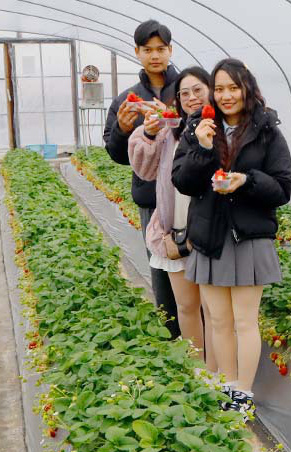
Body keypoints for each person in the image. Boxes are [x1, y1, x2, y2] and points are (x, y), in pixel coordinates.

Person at [172, 58, 291, 416]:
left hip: (249, 236)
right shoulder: (197, 128)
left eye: (233, 87)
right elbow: (183, 181)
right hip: (210, 234)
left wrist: (247, 180)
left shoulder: (267, 130)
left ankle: (243, 391)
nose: (226, 95)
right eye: (219, 88)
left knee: (244, 320)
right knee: (219, 320)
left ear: (247, 89)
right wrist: (203, 150)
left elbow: (282, 187)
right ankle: (225, 383)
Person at [127, 67, 217, 372]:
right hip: (175, 230)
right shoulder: (170, 131)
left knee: (212, 308)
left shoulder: (219, 128)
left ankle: (218, 372)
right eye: (184, 93)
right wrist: (149, 132)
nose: (192, 98)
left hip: (209, 233)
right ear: (177, 100)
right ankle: (198, 370)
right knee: (186, 306)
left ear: (211, 90)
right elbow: (144, 170)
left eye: (198, 90)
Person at [102, 19, 181, 338]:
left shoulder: (187, 89)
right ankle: (173, 336)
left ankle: (203, 339)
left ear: (170, 50)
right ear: (137, 53)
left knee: (195, 268)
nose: (155, 56)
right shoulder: (128, 99)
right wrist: (122, 130)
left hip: (191, 195)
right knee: (161, 269)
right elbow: (116, 153)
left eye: (161, 49)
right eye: (147, 50)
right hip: (152, 198)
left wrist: (171, 118)